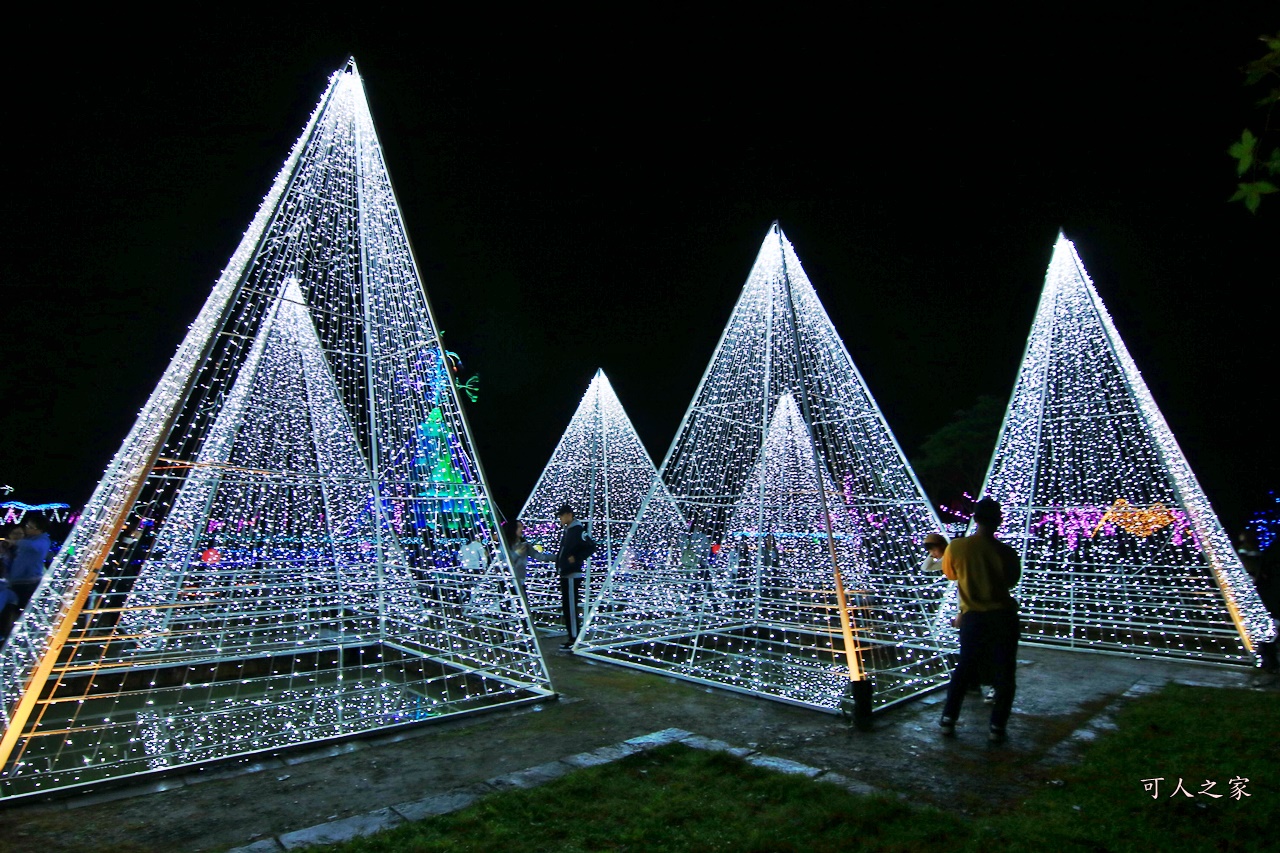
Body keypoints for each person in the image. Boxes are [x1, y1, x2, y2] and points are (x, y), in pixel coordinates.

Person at [938, 498, 1021, 743]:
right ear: (999, 520)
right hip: (1003, 616)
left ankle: (948, 718)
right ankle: (997, 726)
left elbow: (950, 573)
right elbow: (1010, 582)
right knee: (1005, 671)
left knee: (964, 668)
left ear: (975, 519)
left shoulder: (957, 547)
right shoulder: (1006, 552)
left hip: (972, 617)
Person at [542, 503, 595, 652]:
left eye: (562, 515)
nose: (560, 518)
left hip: (572, 574)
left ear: (569, 515)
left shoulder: (577, 530)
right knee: (567, 606)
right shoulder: (569, 531)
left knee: (571, 607)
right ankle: (572, 636)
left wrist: (576, 558)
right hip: (566, 573)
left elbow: (591, 546)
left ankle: (574, 637)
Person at [9, 515, 53, 610]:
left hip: (28, 582)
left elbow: (34, 546)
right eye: (27, 525)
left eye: (30, 527)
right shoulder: (29, 539)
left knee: (22, 610)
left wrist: (15, 542)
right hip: (17, 580)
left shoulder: (43, 541)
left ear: (39, 530)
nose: (26, 528)